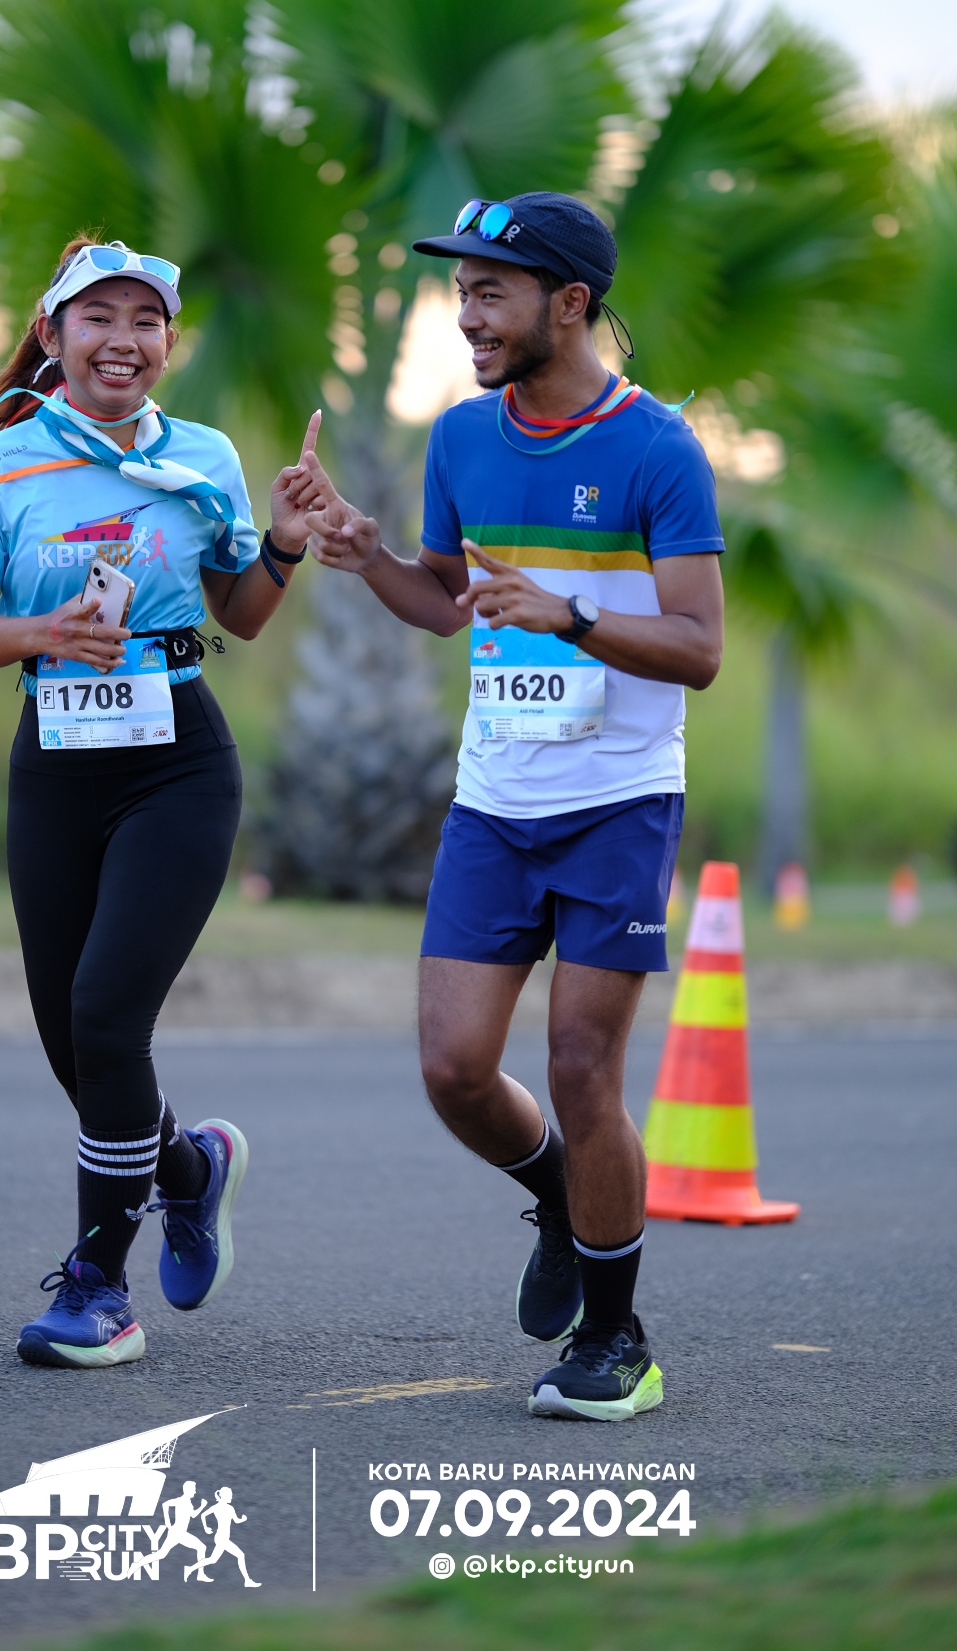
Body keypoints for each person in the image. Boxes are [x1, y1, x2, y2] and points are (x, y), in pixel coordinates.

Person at [306, 193, 724, 1421]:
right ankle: (556, 1192)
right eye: (461, 291)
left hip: (617, 802)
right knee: (452, 1069)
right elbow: (446, 602)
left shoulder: (656, 450)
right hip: (492, 804)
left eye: (490, 291)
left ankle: (614, 1338)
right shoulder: (459, 438)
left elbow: (699, 648)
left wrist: (572, 615)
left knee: (581, 1067)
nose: (467, 315)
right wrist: (365, 557)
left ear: (569, 302)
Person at [0, 236, 331, 1368]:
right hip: (55, 760)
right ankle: (190, 1169)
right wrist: (43, 632)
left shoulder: (203, 455)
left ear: (168, 342)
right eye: (98, 318)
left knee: (109, 1019)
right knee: (73, 1040)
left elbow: (240, 611)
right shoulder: (1, 463)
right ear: (53, 336)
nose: (123, 340)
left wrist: (285, 545)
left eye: (145, 321)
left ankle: (98, 1289)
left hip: (176, 764)